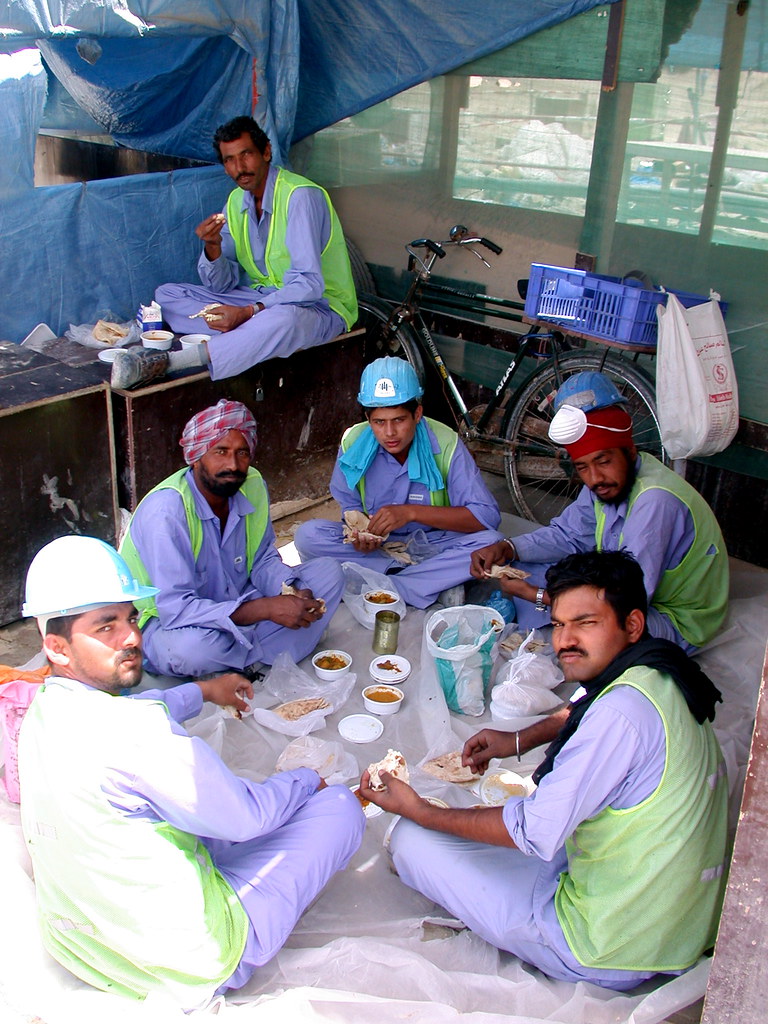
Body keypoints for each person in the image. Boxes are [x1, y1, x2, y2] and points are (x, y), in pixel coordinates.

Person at [18, 535, 364, 1008]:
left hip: (81, 947)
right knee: (339, 808)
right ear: (57, 648)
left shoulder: (40, 711)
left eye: (131, 619)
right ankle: (242, 935)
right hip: (185, 960)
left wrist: (202, 692)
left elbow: (149, 703)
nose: (132, 637)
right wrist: (305, 780)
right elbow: (247, 816)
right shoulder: (139, 737)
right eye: (105, 628)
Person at [360, 550, 728, 990]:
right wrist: (516, 740)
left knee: (411, 839)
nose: (564, 641)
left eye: (585, 623)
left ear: (632, 624)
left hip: (607, 943)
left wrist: (421, 810)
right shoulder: (659, 668)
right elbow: (580, 709)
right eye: (558, 624)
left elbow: (534, 831)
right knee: (490, 821)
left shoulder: (621, 715)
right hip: (672, 917)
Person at [471, 371, 728, 653]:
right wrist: (508, 548)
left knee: (601, 625)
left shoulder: (654, 501)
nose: (594, 479)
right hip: (617, 581)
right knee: (524, 567)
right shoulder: (605, 483)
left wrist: (539, 596)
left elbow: (625, 599)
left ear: (630, 452)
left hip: (670, 618)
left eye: (603, 461)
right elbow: (569, 535)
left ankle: (556, 620)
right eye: (582, 467)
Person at [111, 115, 358, 389]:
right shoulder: (236, 200)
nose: (239, 168)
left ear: (266, 152)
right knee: (167, 295)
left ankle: (168, 362)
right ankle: (249, 336)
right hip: (259, 300)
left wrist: (249, 312)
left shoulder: (300, 197)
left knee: (285, 320)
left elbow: (309, 286)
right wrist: (213, 247)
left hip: (317, 307)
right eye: (229, 160)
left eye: (246, 155)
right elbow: (223, 284)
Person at [119, 399, 344, 679]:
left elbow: (262, 559)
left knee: (329, 573)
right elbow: (176, 610)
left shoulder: (252, 485)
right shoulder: (167, 512)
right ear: (196, 456)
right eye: (220, 451)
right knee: (190, 650)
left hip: (237, 598)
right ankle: (264, 652)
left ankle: (241, 654)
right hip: (172, 622)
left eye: (242, 453)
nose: (233, 465)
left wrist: (293, 589)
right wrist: (265, 609)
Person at [294, 356, 503, 608]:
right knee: (308, 536)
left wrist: (412, 513)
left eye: (399, 420)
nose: (389, 433)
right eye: (379, 422)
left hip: (432, 545)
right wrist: (360, 536)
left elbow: (486, 516)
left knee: (492, 542)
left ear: (417, 413)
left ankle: (379, 584)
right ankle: (423, 584)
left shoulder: (446, 444)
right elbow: (349, 505)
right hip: (379, 551)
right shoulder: (353, 442)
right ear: (368, 418)